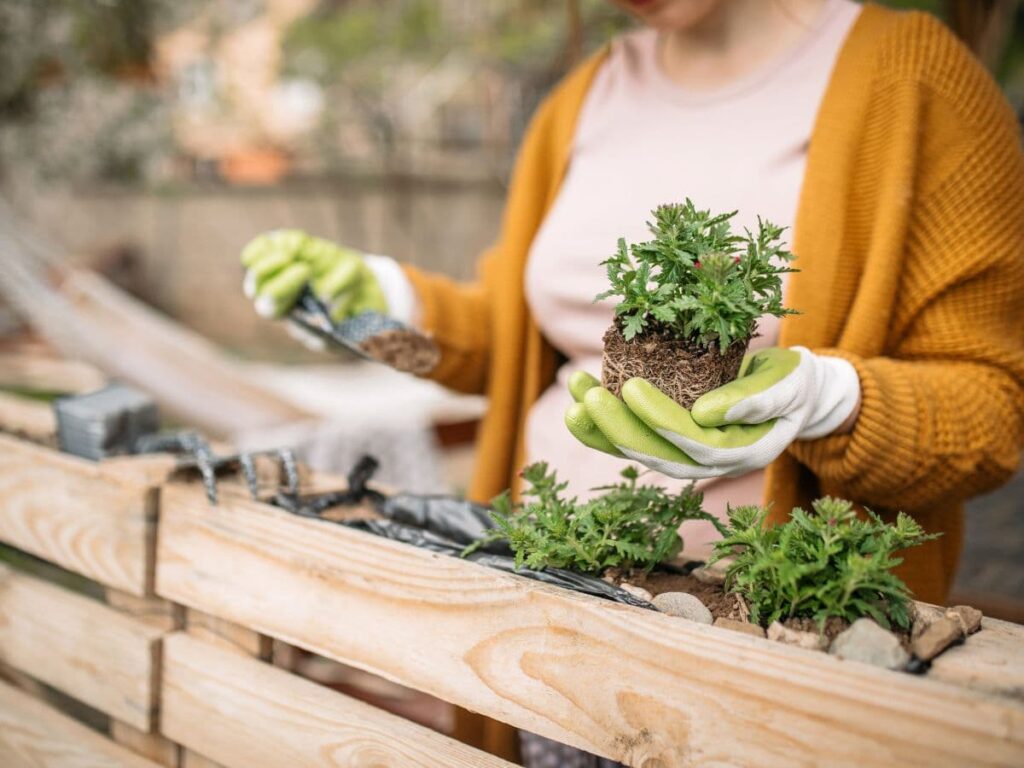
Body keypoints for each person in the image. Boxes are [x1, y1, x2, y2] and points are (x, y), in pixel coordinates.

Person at [241, 0, 1024, 763]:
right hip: (546, 634)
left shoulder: (914, 78)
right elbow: (517, 348)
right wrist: (381, 310)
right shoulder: (585, 95)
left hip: (767, 672)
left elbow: (993, 415)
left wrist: (830, 403)